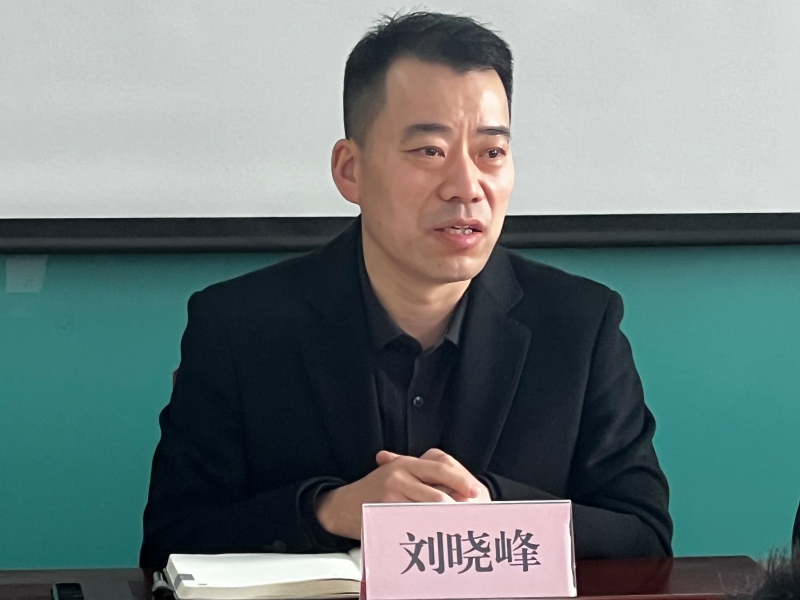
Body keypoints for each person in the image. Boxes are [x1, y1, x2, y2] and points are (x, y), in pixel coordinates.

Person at [140, 11, 672, 568]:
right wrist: (327, 512)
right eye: (430, 151)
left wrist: (492, 512)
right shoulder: (238, 328)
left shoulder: (580, 325)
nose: (467, 187)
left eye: (491, 153)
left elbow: (644, 536)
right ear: (351, 170)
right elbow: (169, 542)